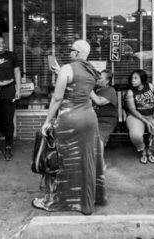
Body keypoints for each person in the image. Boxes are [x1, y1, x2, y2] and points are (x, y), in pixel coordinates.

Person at [32, 40, 106, 214]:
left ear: (78, 53)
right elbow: (81, 87)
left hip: (69, 120)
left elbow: (57, 99)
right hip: (89, 120)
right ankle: (87, 203)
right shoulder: (91, 70)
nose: (69, 53)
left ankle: (53, 201)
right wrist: (60, 72)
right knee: (86, 160)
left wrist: (47, 121)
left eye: (71, 50)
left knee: (60, 160)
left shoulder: (68, 68)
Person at [0, 36, 21, 161]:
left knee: (8, 120)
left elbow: (17, 72)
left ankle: (8, 147)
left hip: (9, 89)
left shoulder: (11, 55)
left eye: (2, 42)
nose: (1, 44)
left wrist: (18, 89)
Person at [124, 69, 154, 164]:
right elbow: (133, 110)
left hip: (153, 115)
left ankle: (150, 150)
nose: (132, 80)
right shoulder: (130, 92)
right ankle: (142, 149)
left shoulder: (150, 86)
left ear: (142, 79)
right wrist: (146, 121)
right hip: (136, 117)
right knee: (135, 135)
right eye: (132, 78)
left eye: (136, 78)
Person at [89, 69, 118, 147]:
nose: (97, 79)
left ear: (107, 81)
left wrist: (89, 89)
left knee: (98, 138)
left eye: (100, 78)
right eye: (97, 77)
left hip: (106, 120)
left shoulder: (110, 90)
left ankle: (98, 159)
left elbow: (99, 101)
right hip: (92, 119)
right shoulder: (95, 89)